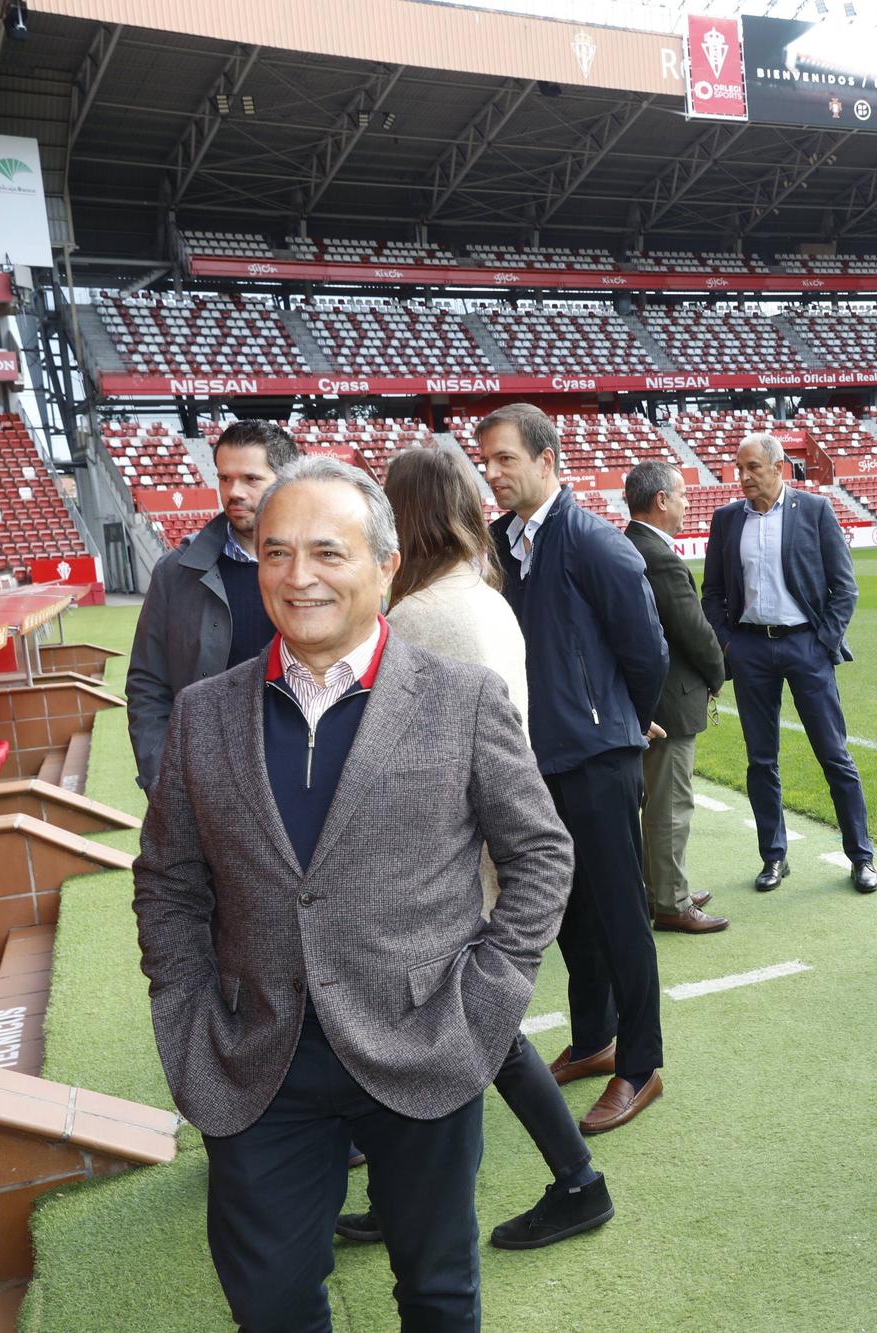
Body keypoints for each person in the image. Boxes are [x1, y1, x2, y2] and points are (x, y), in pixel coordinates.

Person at [133, 457, 572, 1330]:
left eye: (328, 552)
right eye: (276, 552)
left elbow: (541, 855)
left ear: (385, 565)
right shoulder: (203, 714)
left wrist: (485, 997)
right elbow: (168, 882)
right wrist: (186, 1011)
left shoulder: (462, 699)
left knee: (439, 1292)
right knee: (272, 1301)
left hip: (425, 1046)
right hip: (258, 1057)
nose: (299, 577)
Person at [328, 446, 615, 1253]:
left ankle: (578, 1181)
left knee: (474, 1034)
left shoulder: (420, 616)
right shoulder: (484, 597)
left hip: (443, 856)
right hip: (481, 841)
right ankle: (416, 1194)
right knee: (457, 1032)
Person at [481, 403, 671, 1134]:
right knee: (566, 908)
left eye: (504, 459)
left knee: (621, 911)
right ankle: (594, 1037)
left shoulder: (595, 541)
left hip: (595, 757)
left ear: (546, 459)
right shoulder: (500, 542)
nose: (492, 473)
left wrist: (617, 722)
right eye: (486, 461)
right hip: (533, 757)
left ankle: (640, 1062)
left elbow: (646, 650)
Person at [702, 432, 877, 893]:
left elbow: (845, 588)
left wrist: (823, 644)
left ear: (779, 468)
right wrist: (728, 645)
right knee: (761, 761)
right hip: (751, 651)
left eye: (752, 468)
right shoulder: (726, 520)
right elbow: (713, 593)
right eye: (738, 468)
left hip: (806, 648)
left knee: (834, 754)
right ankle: (774, 857)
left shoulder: (815, 511)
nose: (742, 478)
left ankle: (861, 857)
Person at [127, 419, 298, 791]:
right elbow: (147, 685)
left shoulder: (322, 570)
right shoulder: (176, 571)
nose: (234, 492)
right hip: (210, 784)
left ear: (287, 482)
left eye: (251, 479)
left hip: (303, 775)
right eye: (224, 478)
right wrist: (159, 778)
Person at [623, 460, 730, 934]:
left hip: (652, 699)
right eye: (683, 496)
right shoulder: (658, 555)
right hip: (670, 701)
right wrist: (718, 672)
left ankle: (662, 886)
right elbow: (693, 630)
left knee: (660, 801)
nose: (688, 504)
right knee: (670, 805)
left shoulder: (631, 545)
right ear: (661, 500)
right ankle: (669, 901)